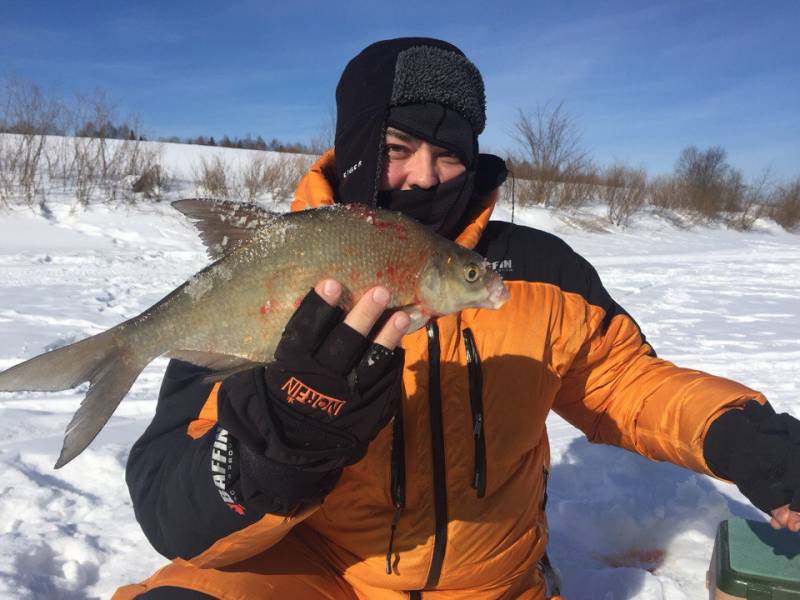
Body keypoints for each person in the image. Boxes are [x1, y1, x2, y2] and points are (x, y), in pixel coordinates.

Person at [114, 38, 800, 600]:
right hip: (323, 576)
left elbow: (625, 383)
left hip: (496, 585)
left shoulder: (533, 269)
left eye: (449, 154)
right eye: (396, 147)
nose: (425, 176)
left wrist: (746, 438)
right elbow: (171, 511)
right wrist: (277, 444)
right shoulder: (280, 273)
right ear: (353, 145)